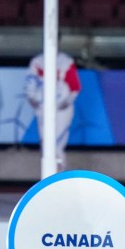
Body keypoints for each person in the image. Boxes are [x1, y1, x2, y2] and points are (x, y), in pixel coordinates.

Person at [24, 43, 82, 171]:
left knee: (57, 144)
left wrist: (68, 101)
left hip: (61, 109)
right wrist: (31, 97)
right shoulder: (37, 61)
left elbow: (75, 86)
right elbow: (30, 81)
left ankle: (58, 178)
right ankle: (47, 177)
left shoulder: (66, 61)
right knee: (46, 145)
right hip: (43, 108)